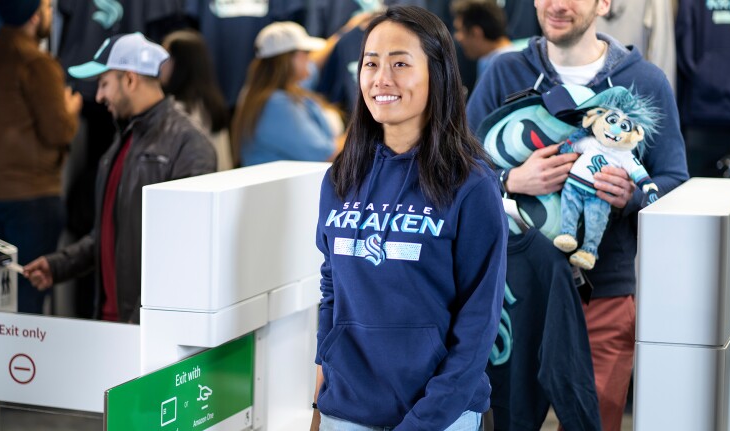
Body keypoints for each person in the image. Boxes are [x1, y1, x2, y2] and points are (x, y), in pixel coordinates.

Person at [465, 0, 689, 429]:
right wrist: (509, 179)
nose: (557, 4)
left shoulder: (644, 82)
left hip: (603, 295)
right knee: (507, 421)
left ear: (604, 3)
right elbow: (457, 171)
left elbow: (675, 180)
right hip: (514, 296)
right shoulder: (504, 72)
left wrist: (632, 197)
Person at [312, 6, 508, 430]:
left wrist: (425, 421)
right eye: (371, 63)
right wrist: (320, 394)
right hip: (346, 410)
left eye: (400, 63)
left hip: (442, 413)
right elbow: (332, 289)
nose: (382, 79)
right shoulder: (340, 178)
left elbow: (478, 324)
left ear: (436, 73)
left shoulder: (471, 184)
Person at [23, 32, 216, 324]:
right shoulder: (122, 142)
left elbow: (183, 253)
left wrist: (143, 324)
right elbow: (111, 233)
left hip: (143, 332)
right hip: (113, 324)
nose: (98, 97)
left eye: (104, 84)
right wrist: (59, 266)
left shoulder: (189, 145)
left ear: (130, 80)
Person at [0, 0, 82, 314]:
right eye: (48, 7)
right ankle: (26, 363)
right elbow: (58, 131)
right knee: (28, 300)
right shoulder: (36, 63)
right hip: (31, 200)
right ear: (36, 15)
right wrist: (71, 109)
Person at [232, 21, 344, 167]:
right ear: (290, 59)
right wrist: (363, 130)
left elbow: (314, 66)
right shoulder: (276, 105)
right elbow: (326, 155)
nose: (310, 58)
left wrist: (346, 31)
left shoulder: (259, 93)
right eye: (306, 53)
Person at [161, 29, 233, 171]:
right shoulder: (209, 104)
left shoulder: (181, 111)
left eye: (166, 58)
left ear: (183, 63)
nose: (160, 65)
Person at [451, 0, 520, 79]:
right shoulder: (486, 60)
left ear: (476, 33)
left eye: (459, 30)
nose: (457, 37)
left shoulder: (507, 66)